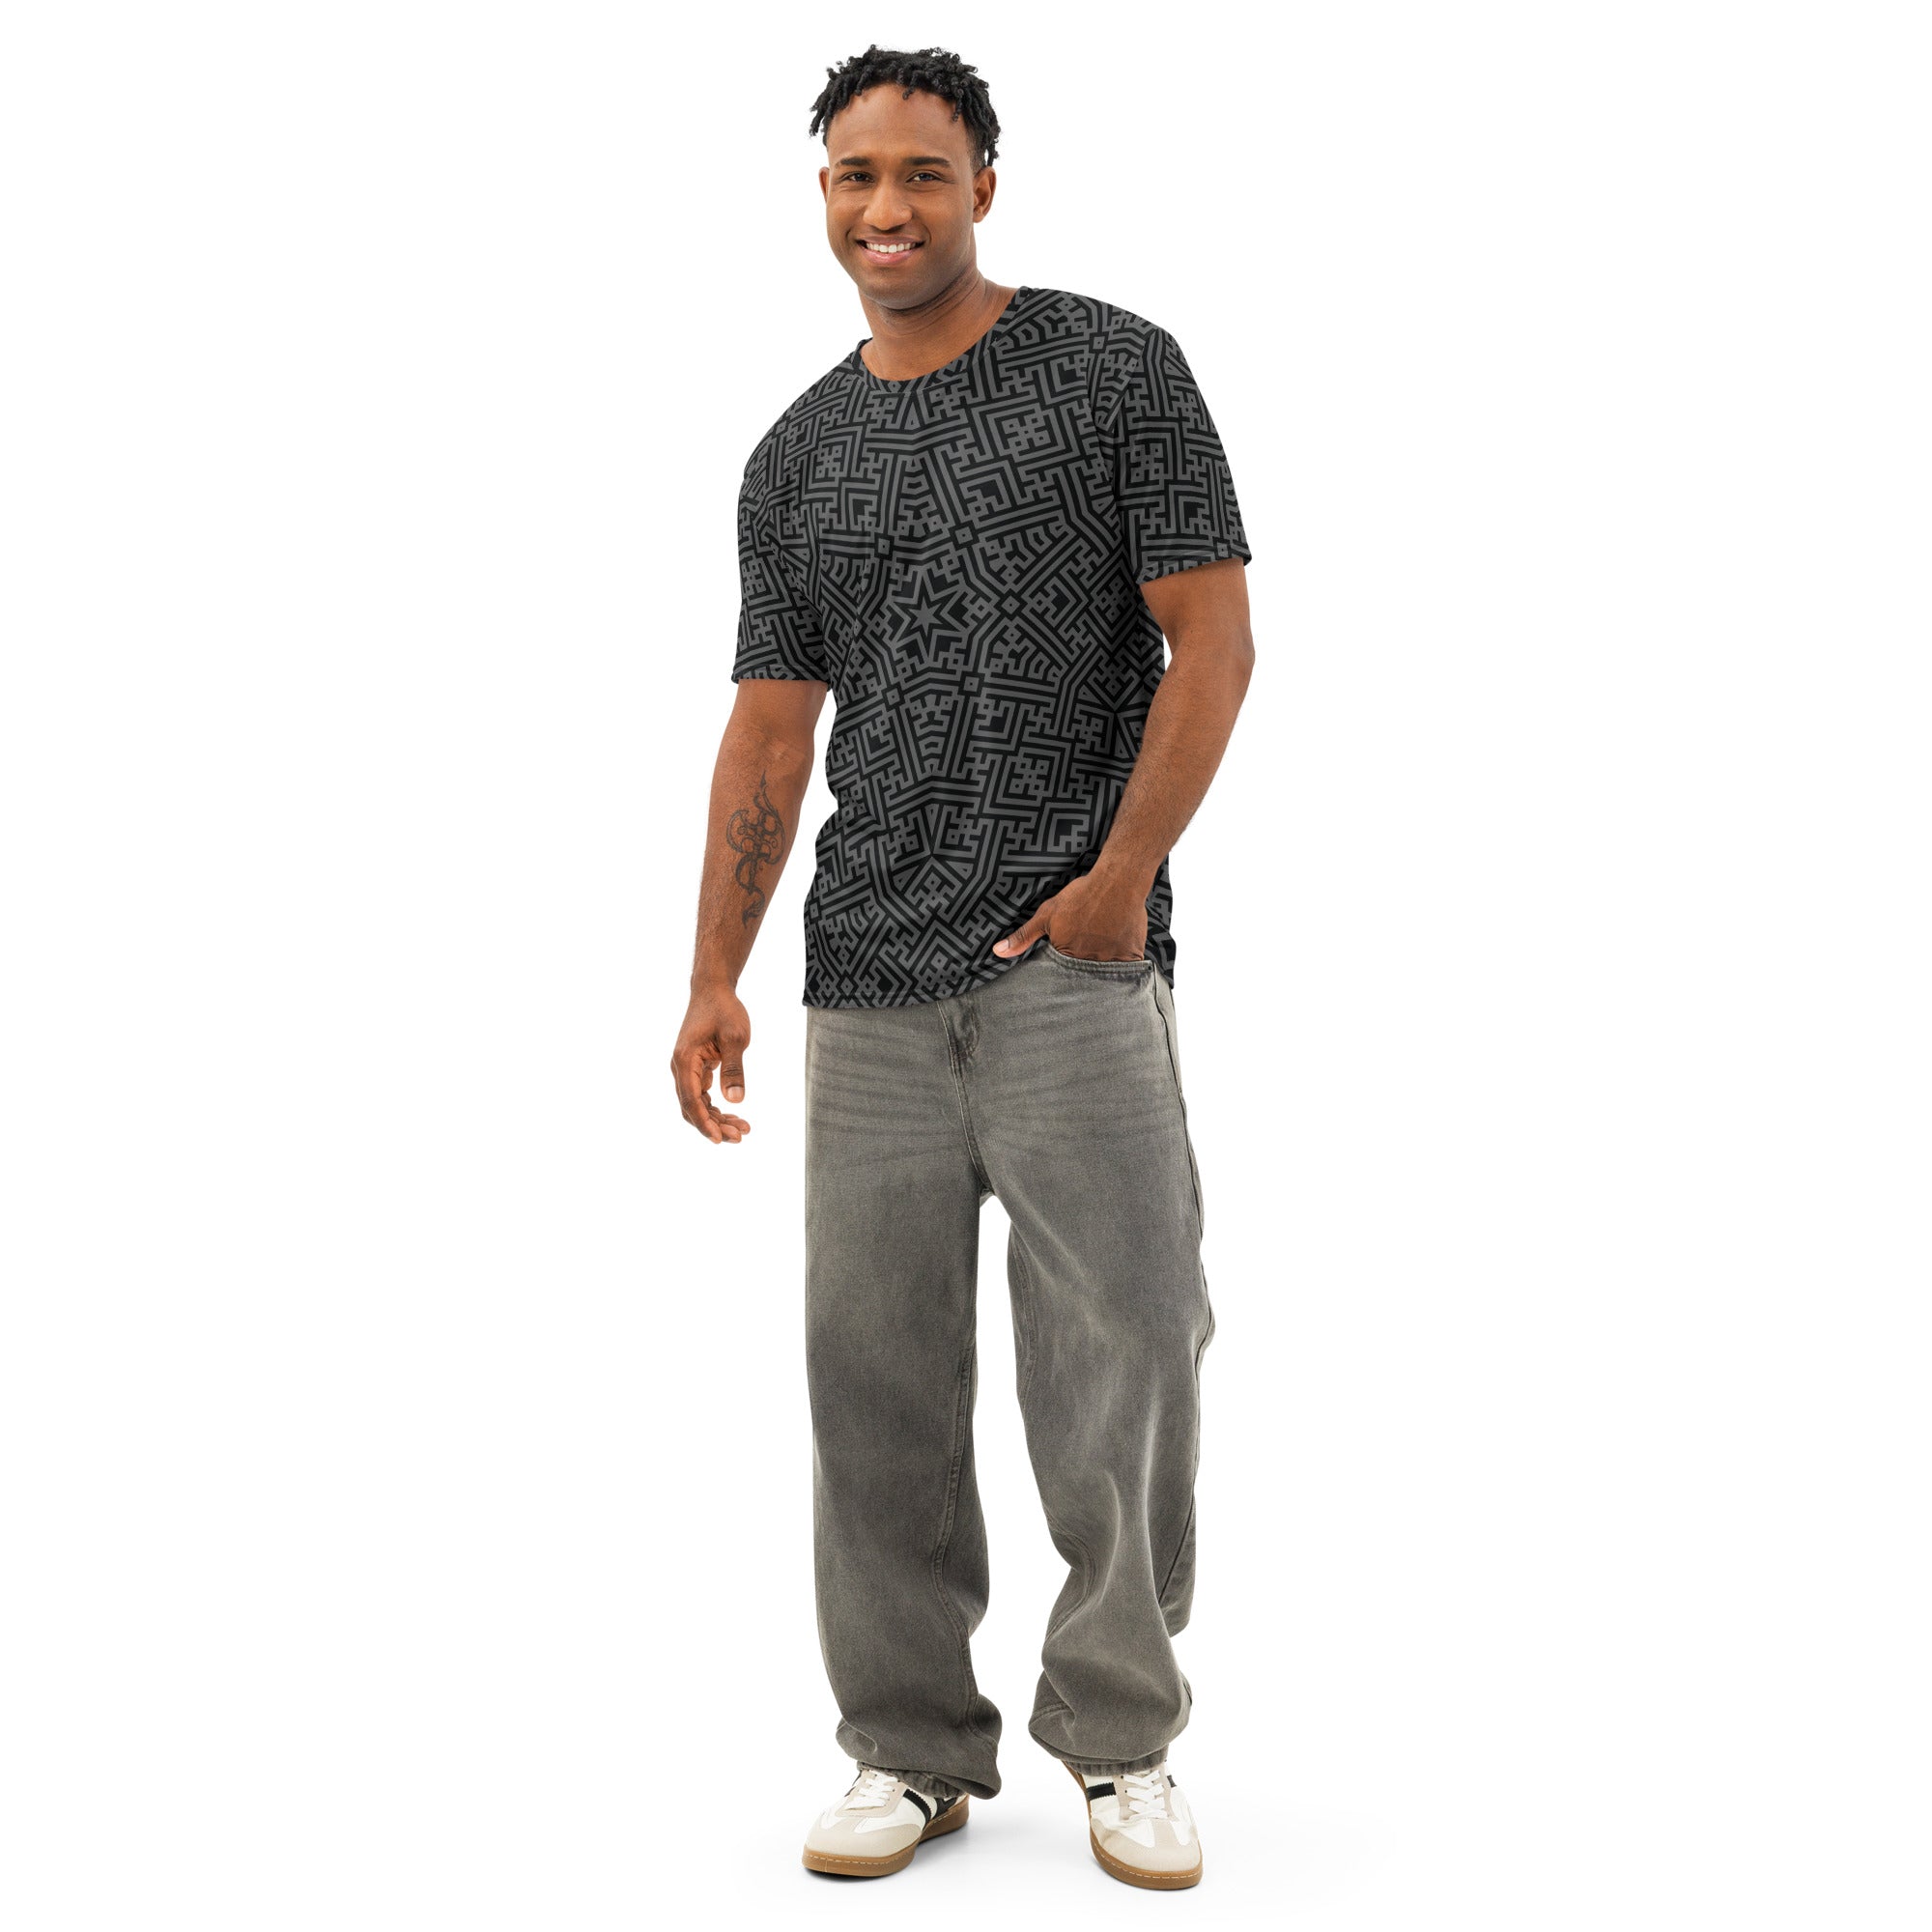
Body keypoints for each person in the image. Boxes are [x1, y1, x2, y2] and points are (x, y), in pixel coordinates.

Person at [670, 44, 1254, 1892]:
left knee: (1132, 1343)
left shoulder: (1111, 370)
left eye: (923, 172)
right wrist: (714, 975)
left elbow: (1215, 640)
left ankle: (1122, 1738)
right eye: (856, 176)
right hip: (866, 980)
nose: (887, 207)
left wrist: (1117, 884)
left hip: (1073, 967)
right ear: (823, 197)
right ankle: (908, 1748)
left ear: (984, 185)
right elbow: (772, 734)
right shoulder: (796, 455)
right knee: (874, 1379)